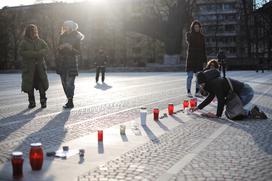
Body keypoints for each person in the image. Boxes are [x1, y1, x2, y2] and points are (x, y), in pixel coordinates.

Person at [192, 70, 267, 119]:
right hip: (245, 91)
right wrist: (198, 108)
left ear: (203, 82)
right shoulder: (210, 83)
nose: (200, 86)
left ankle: (254, 114)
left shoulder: (215, 83)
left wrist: (217, 115)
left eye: (200, 84)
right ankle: (253, 111)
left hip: (246, 92)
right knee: (229, 113)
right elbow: (210, 97)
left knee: (234, 114)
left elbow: (221, 99)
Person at [19, 24, 49, 109]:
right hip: (29, 69)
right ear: (28, 32)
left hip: (40, 69)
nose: (33, 32)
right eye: (31, 31)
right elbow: (21, 52)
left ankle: (43, 101)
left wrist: (39, 53)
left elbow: (46, 49)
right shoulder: (24, 42)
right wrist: (33, 54)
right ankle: (31, 102)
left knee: (41, 86)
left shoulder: (40, 41)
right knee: (30, 87)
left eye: (35, 31)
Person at [56, 20, 84, 109]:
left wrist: (70, 47)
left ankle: (70, 101)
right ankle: (68, 99)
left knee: (70, 83)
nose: (65, 27)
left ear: (71, 26)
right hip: (62, 62)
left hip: (72, 62)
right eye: (64, 26)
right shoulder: (62, 36)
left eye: (66, 26)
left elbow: (79, 52)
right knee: (64, 83)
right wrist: (61, 47)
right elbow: (58, 49)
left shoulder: (77, 36)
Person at [185, 20, 207, 98]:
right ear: (193, 27)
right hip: (191, 59)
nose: (196, 28)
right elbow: (190, 41)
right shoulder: (189, 35)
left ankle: (197, 91)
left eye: (198, 27)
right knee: (190, 76)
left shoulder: (202, 37)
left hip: (199, 59)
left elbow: (204, 49)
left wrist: (205, 60)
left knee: (198, 77)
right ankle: (188, 91)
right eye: (195, 27)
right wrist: (193, 34)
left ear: (200, 27)